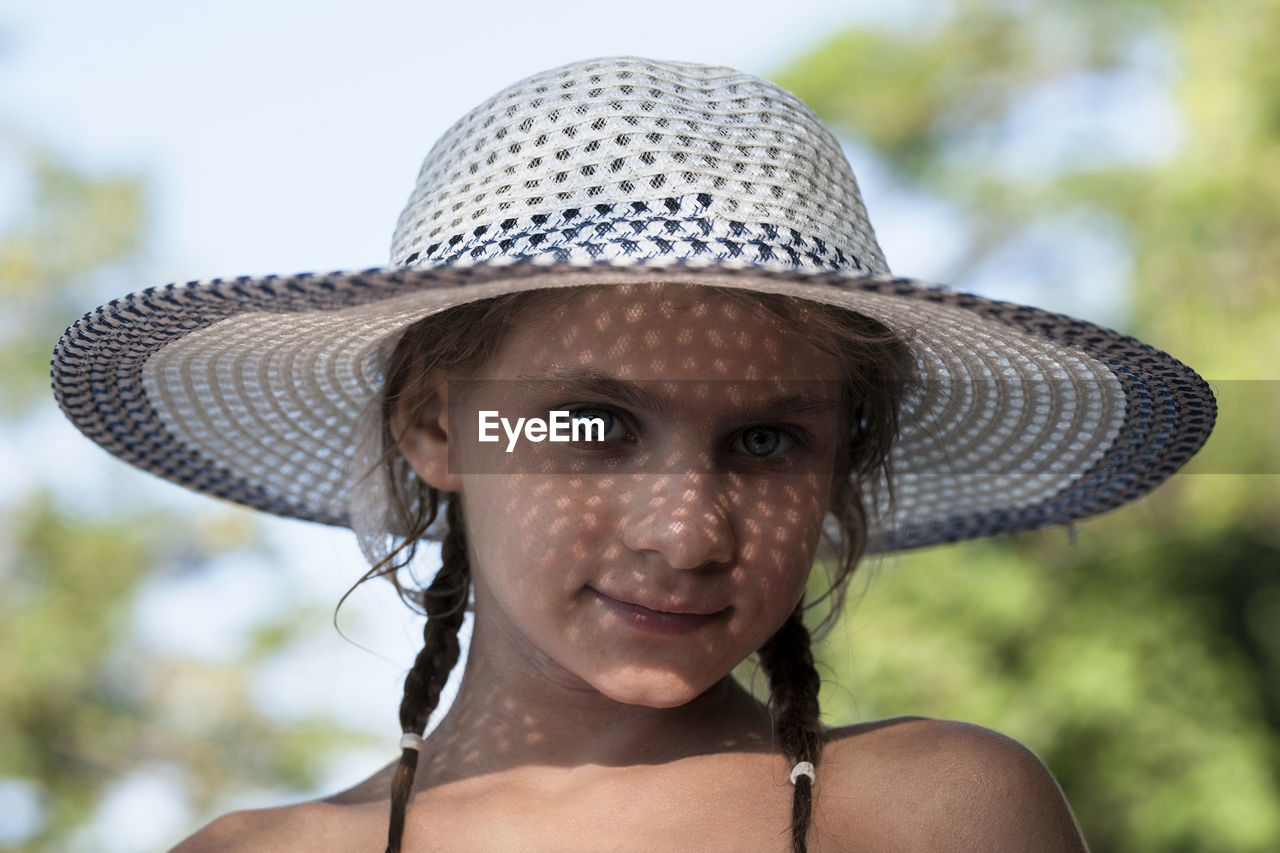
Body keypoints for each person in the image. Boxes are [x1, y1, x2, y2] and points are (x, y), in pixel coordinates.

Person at [52, 57, 1215, 851]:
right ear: (434, 424)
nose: (685, 529)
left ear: (840, 462)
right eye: (592, 425)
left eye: (765, 439)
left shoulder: (937, 811)